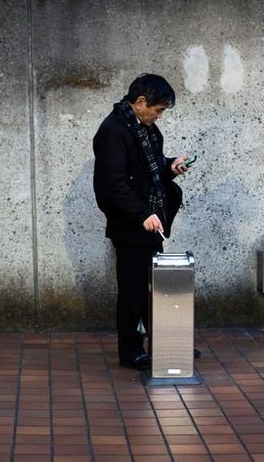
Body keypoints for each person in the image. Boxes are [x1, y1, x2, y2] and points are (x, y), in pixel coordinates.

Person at [93, 74, 191, 370]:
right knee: (133, 291)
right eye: (158, 110)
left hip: (151, 223)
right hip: (132, 226)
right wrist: (141, 214)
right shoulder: (113, 131)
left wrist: (171, 167)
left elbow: (150, 168)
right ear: (140, 102)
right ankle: (130, 351)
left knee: (153, 289)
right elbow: (114, 184)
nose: (160, 116)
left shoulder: (145, 128)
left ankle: (165, 345)